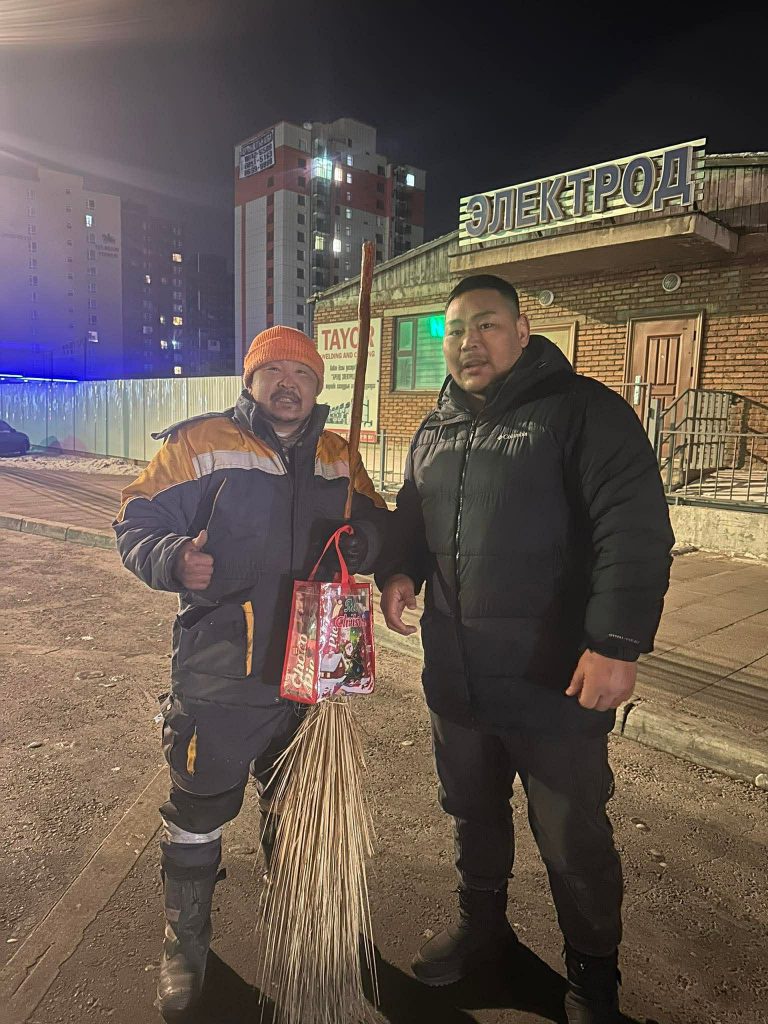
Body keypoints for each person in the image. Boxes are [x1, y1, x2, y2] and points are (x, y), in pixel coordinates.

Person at [378, 275, 674, 1024]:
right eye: (455, 330)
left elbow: (633, 529)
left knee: (573, 841)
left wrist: (615, 643)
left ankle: (593, 980)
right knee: (471, 813)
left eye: (486, 325)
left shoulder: (583, 413)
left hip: (555, 684)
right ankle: (482, 930)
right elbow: (413, 516)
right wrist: (399, 570)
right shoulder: (434, 429)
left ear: (521, 331)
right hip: (459, 679)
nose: (468, 343)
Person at [114, 326, 388, 1018]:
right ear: (251, 380)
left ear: (319, 385)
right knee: (199, 810)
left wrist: (366, 540)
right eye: (274, 372)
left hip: (313, 676)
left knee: (300, 811)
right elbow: (135, 519)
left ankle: (304, 926)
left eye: (303, 373)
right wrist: (173, 557)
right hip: (220, 676)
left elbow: (379, 523)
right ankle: (185, 944)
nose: (288, 385)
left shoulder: (339, 456)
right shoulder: (201, 444)